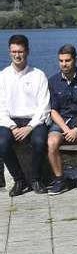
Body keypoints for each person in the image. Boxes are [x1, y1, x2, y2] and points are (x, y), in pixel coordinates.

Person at [0, 34, 50, 196]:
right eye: (14, 51)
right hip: (10, 121)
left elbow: (44, 106)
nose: (17, 55)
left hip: (34, 121)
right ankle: (19, 180)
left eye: (20, 51)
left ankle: (35, 178)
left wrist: (29, 127)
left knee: (40, 141)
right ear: (9, 52)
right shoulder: (3, 76)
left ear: (27, 52)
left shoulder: (38, 75)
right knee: (2, 142)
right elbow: (0, 107)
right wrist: (12, 126)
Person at [47, 44, 77, 195]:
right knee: (51, 142)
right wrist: (66, 130)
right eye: (61, 61)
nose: (64, 64)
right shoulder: (53, 81)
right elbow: (53, 110)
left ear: (75, 59)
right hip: (61, 123)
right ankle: (60, 180)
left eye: (67, 60)